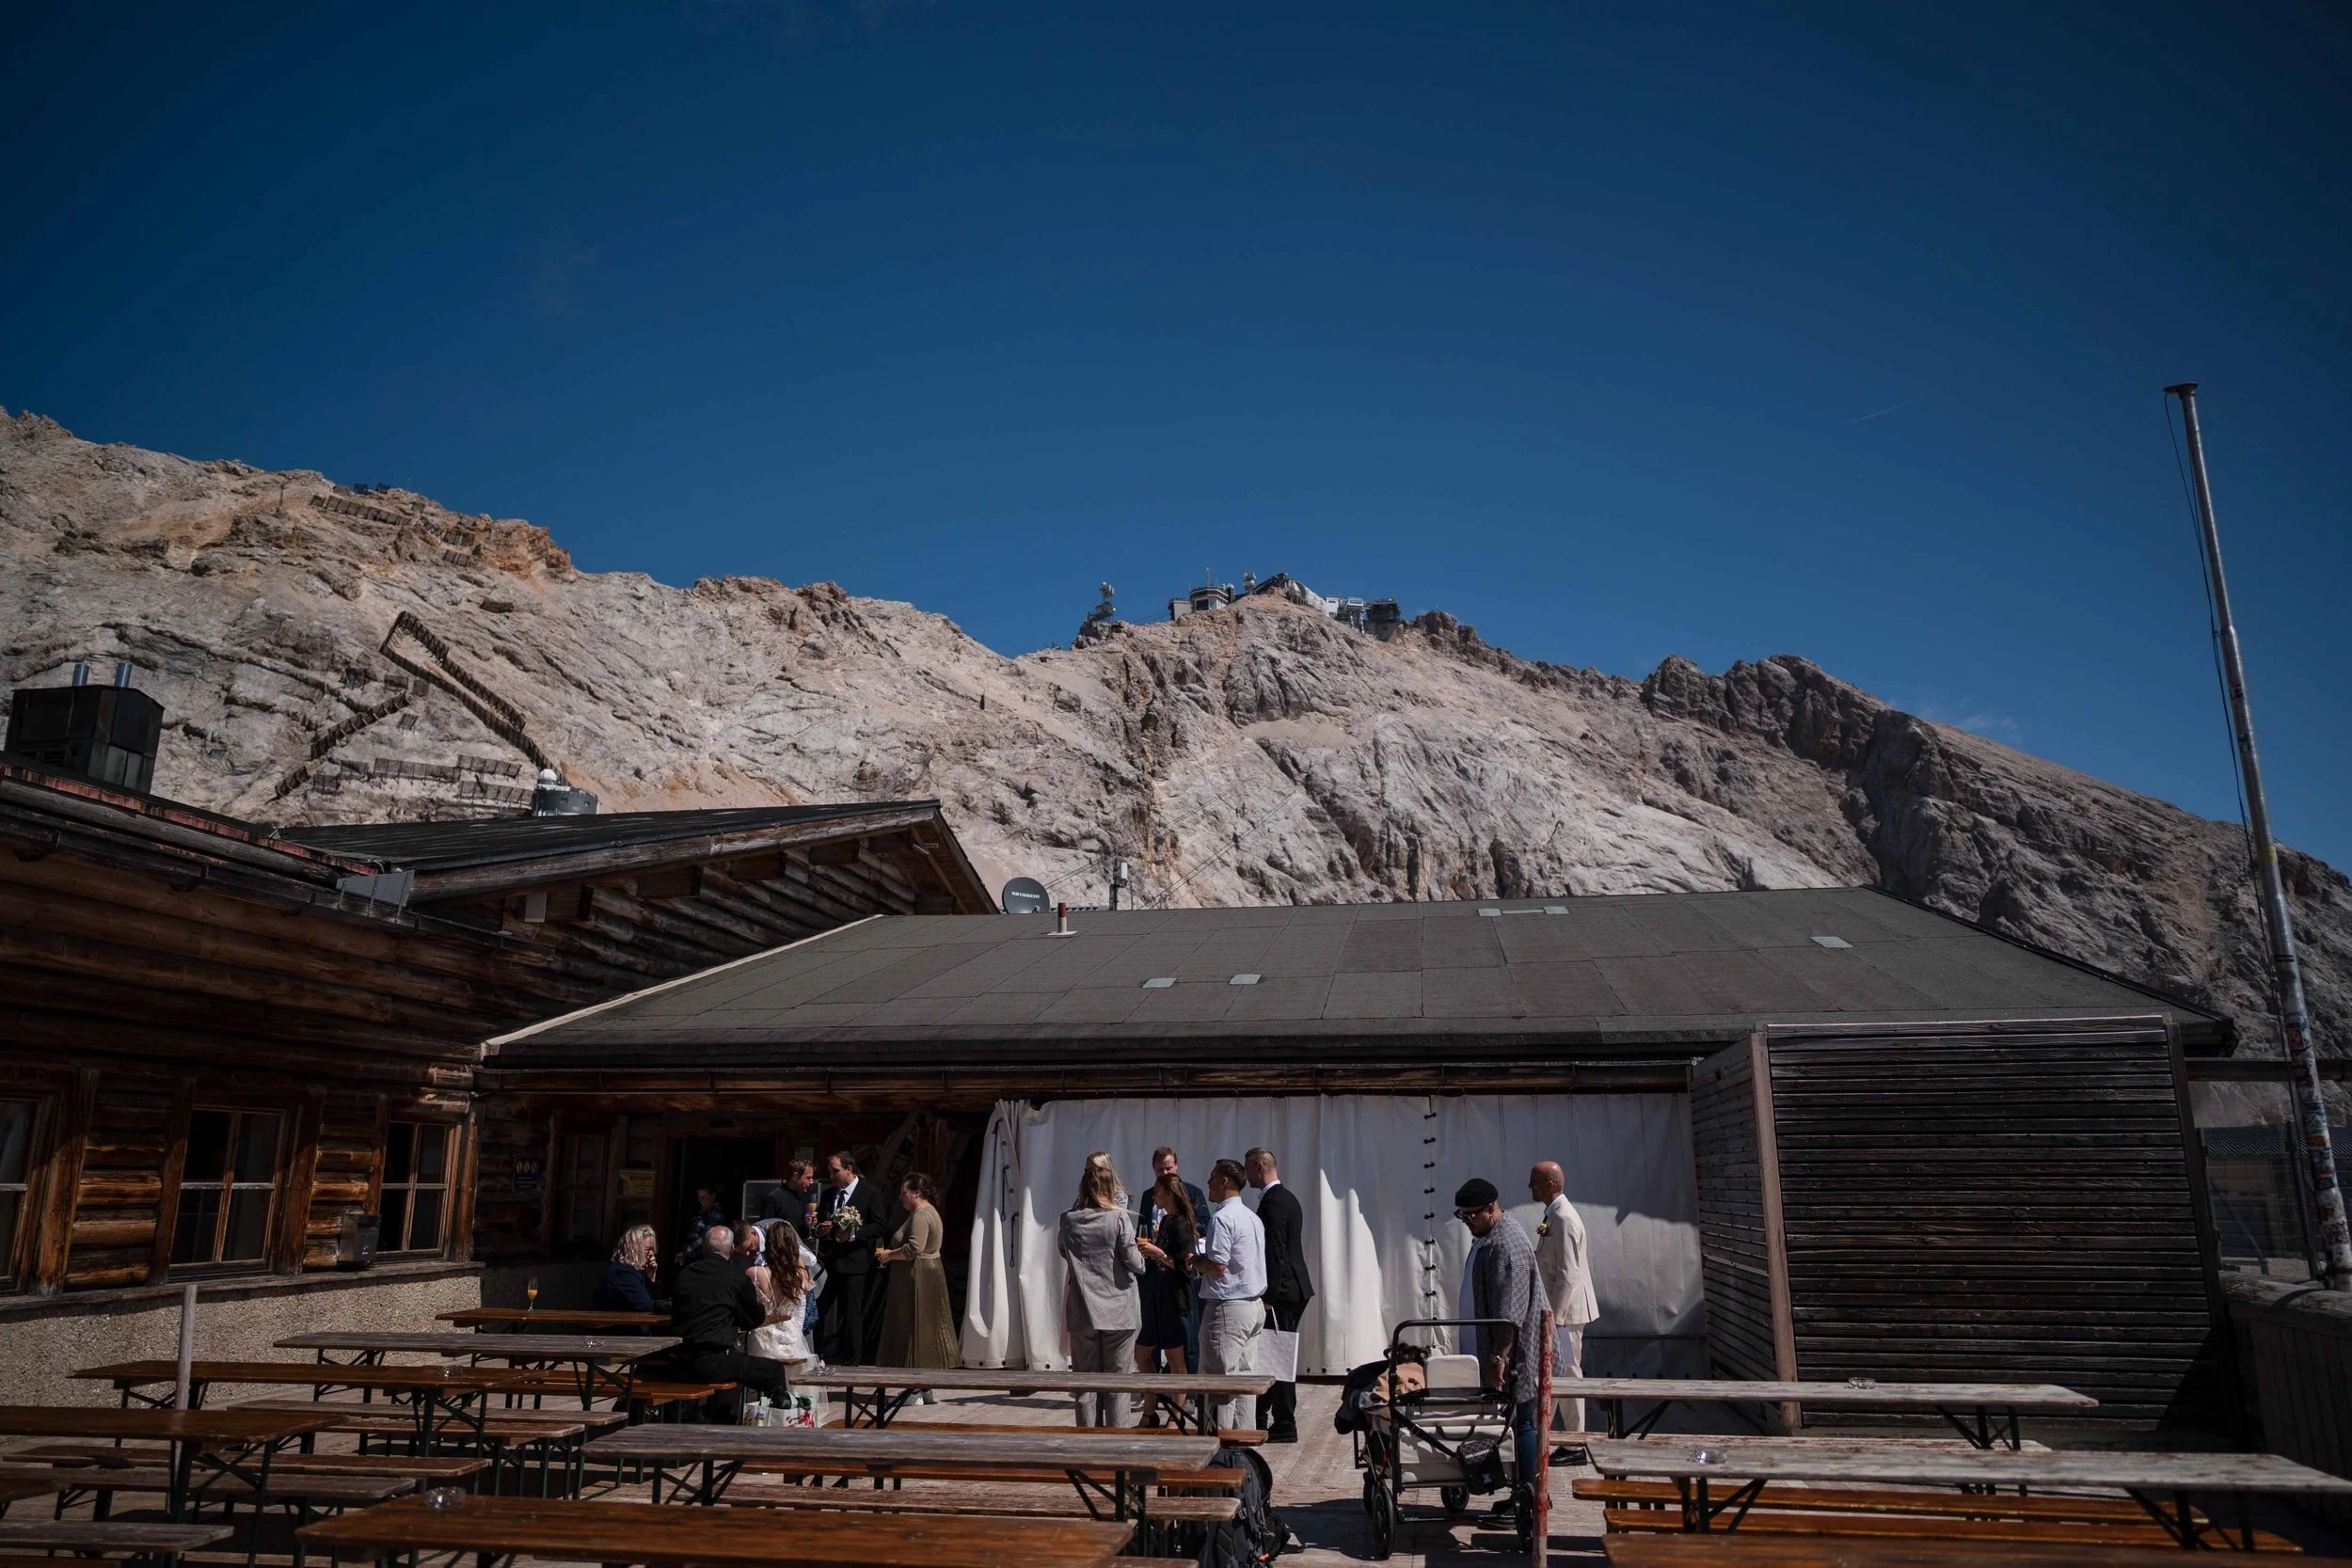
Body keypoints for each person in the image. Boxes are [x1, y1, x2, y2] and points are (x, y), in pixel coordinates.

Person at [1457, 1177, 1546, 1522]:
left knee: (1523, 1424)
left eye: (1471, 1216)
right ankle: (1525, 1494)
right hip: (1501, 1352)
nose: (1467, 1222)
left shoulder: (1506, 1246)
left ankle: (1529, 1500)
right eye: (1462, 1216)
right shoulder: (1489, 1235)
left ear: (1491, 1208)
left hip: (1517, 1355)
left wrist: (1498, 1358)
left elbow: (1510, 1314)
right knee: (1515, 1422)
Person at [1058, 1151, 1147, 1427]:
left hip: (1083, 1307)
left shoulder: (1068, 1219)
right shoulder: (1118, 1218)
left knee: (1085, 1386)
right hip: (1118, 1309)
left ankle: (1087, 1441)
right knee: (1117, 1385)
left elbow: (1062, 1250)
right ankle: (1116, 1443)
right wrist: (1143, 1259)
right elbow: (1134, 1262)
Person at [667, 1225, 787, 1418]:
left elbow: (674, 1305)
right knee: (774, 1371)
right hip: (715, 1360)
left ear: (705, 1248)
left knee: (735, 1366)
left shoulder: (685, 1274)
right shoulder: (736, 1278)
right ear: (732, 1249)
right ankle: (749, 1425)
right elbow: (752, 1319)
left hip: (680, 1359)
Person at [1192, 1157, 1266, 1433]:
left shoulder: (1222, 1218)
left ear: (1224, 1181)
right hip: (1253, 1306)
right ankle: (1242, 1443)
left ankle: (1218, 1445)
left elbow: (1218, 1265)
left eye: (1212, 1177)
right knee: (1244, 1382)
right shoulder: (1252, 1217)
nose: (1208, 1182)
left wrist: (1195, 1261)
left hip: (1228, 1308)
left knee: (1218, 1383)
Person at [1245, 1147, 1313, 1444]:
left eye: (1248, 1169)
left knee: (1278, 1356)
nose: (1246, 1175)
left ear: (1259, 1168)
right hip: (1292, 1287)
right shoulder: (1288, 1198)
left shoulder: (1273, 1203)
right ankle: (1262, 1415)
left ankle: (1285, 1422)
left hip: (1283, 1291)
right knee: (1272, 1354)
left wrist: (1268, 1296)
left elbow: (1275, 1254)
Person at [1530, 1160, 1597, 1456]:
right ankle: (1548, 1434)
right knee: (1558, 1373)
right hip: (1560, 1315)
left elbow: (1568, 1273)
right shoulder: (1554, 1215)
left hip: (1566, 1316)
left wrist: (1554, 1319)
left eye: (1534, 1182)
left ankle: (1575, 1443)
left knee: (1568, 1373)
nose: (1529, 1187)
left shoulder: (1564, 1218)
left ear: (1549, 1185)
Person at [876, 1173, 960, 1381]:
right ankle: (923, 1385)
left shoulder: (921, 1215)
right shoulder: (929, 1212)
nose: (901, 1198)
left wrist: (888, 1255)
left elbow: (914, 1248)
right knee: (923, 1328)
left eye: (904, 1193)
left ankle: (916, 1383)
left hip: (917, 1276)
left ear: (917, 1193)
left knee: (914, 1328)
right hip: (925, 1272)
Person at [1132, 1164, 1199, 1423]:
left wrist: (1159, 1254)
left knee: (1174, 1357)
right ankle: (1151, 1410)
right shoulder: (1167, 1220)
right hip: (1158, 1296)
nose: (1154, 1196)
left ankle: (1175, 1417)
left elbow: (1184, 1267)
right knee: (1142, 1353)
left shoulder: (1180, 1223)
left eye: (1158, 1192)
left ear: (1169, 1194)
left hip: (1173, 1298)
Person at [1135, 1148, 1207, 1374]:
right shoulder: (1156, 1205)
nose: (1164, 1172)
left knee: (1180, 1348)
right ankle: (1153, 1389)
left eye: (1168, 1168)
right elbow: (1141, 1227)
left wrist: (1164, 1246)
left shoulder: (1187, 1205)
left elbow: (1205, 1225)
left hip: (1177, 1284)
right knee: (1148, 1345)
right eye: (1159, 1170)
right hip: (1155, 1281)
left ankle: (1185, 1389)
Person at [814, 1150, 886, 1364]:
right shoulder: (829, 1195)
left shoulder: (869, 1193)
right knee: (819, 1307)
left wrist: (853, 1234)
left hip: (855, 1263)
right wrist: (821, 1229)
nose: (832, 1176)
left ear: (849, 1169)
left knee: (851, 1312)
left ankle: (852, 1358)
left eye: (835, 1171)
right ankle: (817, 1352)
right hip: (831, 1262)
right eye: (830, 1172)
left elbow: (880, 1225)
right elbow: (821, 1223)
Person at [748, 1219, 817, 1375]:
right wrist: (795, 1336)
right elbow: (800, 1313)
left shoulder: (755, 1273)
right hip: (792, 1339)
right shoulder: (802, 1276)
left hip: (762, 1342)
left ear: (769, 1246)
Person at [593, 1223, 660, 1327]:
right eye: (648, 1249)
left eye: (653, 1249)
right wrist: (671, 1305)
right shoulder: (622, 1273)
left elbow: (647, 1301)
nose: (651, 1253)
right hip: (617, 1332)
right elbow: (645, 1306)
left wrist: (651, 1276)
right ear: (634, 1249)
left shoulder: (633, 1271)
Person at [761, 1159, 821, 1233]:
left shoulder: (807, 1197)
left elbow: (805, 1231)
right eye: (808, 1178)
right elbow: (764, 1229)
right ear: (795, 1176)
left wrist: (809, 1225)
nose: (811, 1182)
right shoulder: (774, 1198)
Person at [679, 1185, 726, 1264]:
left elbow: (705, 1236)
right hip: (693, 1253)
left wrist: (686, 1251)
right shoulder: (702, 1210)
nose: (701, 1201)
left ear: (713, 1196)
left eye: (704, 1198)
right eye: (699, 1198)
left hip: (702, 1256)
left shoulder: (716, 1213)